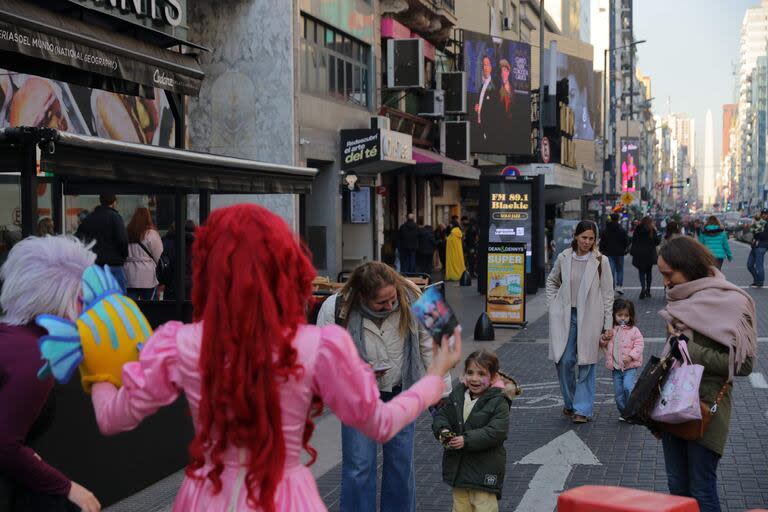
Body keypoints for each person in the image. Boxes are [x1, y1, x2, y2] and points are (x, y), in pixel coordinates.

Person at [88, 205, 462, 511]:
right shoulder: (318, 344)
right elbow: (380, 423)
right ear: (285, 270)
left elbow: (112, 417)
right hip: (285, 497)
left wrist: (97, 360)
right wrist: (433, 381)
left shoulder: (181, 343)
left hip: (207, 498)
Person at [315, 261, 451, 512]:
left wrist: (442, 393)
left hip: (402, 392)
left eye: (392, 299)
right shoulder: (334, 307)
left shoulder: (420, 297)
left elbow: (441, 343)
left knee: (401, 465)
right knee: (358, 466)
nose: (390, 305)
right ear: (363, 297)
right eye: (381, 303)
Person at [0, 236, 101, 512]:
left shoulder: (15, 338)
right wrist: (68, 488)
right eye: (83, 299)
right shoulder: (38, 356)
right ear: (62, 300)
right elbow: (5, 445)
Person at [656, 236, 756, 512]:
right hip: (673, 403)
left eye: (668, 273)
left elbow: (744, 365)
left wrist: (690, 350)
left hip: (706, 408)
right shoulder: (680, 300)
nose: (665, 282)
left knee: (702, 489)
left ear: (687, 267)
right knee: (677, 487)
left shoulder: (732, 302)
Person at [546, 220, 614, 424]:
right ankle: (570, 402)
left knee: (587, 363)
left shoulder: (602, 261)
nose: (587, 242)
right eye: (584, 237)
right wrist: (552, 306)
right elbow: (552, 281)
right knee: (564, 360)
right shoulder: (564, 257)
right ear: (576, 236)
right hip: (566, 316)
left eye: (591, 238)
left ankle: (582, 410)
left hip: (591, 317)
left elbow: (608, 294)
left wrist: (608, 324)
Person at [432, 350, 512, 512]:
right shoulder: (458, 395)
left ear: (493, 377)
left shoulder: (499, 401)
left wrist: (466, 440)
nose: (474, 378)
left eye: (481, 374)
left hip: (484, 469)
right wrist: (444, 431)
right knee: (460, 506)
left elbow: (496, 431)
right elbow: (442, 416)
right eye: (470, 372)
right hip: (459, 468)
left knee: (485, 506)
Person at [599, 298, 644, 419]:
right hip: (616, 368)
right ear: (614, 315)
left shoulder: (634, 330)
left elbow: (639, 345)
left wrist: (631, 356)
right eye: (619, 315)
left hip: (629, 367)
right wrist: (604, 337)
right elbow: (603, 343)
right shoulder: (611, 330)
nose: (623, 318)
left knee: (628, 387)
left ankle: (632, 410)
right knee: (618, 393)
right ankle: (624, 412)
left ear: (631, 316)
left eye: (626, 315)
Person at [75, 193, 128, 292]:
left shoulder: (89, 218)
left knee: (97, 298)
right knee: (118, 299)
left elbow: (78, 240)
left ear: (100, 201)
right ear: (114, 202)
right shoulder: (116, 218)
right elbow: (122, 240)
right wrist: (123, 257)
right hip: (114, 265)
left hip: (94, 267)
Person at [124, 207, 163, 301]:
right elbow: (159, 255)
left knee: (131, 307)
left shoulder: (127, 233)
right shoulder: (151, 234)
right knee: (150, 308)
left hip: (129, 275)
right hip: (147, 275)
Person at [162, 220, 195, 300]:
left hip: (171, 285)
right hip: (192, 285)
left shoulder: (167, 241)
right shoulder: (197, 243)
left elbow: (164, 262)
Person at [599, 213, 630, 294]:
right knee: (619, 270)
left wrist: (602, 250)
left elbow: (602, 241)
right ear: (618, 219)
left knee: (610, 271)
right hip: (620, 253)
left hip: (608, 252)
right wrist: (624, 249)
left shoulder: (606, 230)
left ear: (611, 219)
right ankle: (619, 286)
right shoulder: (621, 229)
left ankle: (611, 287)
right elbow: (626, 241)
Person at [630, 216, 660, 299]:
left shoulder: (638, 229)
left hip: (640, 254)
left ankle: (643, 288)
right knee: (649, 272)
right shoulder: (652, 230)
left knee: (641, 272)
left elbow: (634, 240)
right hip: (649, 254)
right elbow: (657, 242)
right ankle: (648, 290)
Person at [472, 55, 496, 144]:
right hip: (479, 126)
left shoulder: (494, 87)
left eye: (487, 65)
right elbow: (480, 103)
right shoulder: (482, 85)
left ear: (491, 67)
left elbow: (494, 111)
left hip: (488, 129)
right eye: (484, 65)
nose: (485, 67)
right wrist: (477, 108)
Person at [747, 208, 768, 288]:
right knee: (749, 265)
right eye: (763, 213)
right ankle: (757, 280)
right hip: (755, 246)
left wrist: (756, 235)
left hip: (762, 246)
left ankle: (760, 282)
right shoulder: (758, 222)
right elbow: (753, 232)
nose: (764, 215)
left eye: (766, 214)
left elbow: (763, 235)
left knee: (759, 265)